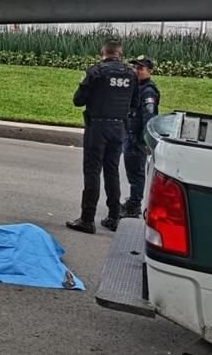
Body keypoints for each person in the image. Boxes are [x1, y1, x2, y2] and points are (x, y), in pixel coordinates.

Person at [66, 40, 139, 235]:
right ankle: (114, 217)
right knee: (112, 171)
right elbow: (135, 102)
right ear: (120, 53)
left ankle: (87, 219)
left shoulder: (97, 72)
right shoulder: (131, 74)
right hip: (119, 127)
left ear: (103, 52)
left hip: (98, 126)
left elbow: (78, 100)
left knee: (92, 171)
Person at [121, 55, 161, 218]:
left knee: (136, 173)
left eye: (140, 68)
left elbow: (149, 117)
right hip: (130, 135)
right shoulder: (136, 86)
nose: (136, 71)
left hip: (137, 139)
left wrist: (145, 140)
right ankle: (132, 201)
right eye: (135, 67)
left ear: (149, 71)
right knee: (132, 171)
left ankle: (135, 206)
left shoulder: (148, 91)